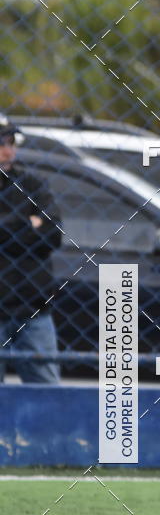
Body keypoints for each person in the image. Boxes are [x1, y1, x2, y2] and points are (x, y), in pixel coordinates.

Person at [0, 116, 62, 383]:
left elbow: (53, 234)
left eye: (11, 142)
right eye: (1, 143)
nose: (8, 150)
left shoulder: (32, 184)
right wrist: (28, 223)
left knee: (47, 392)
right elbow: (39, 230)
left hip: (33, 307)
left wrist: (8, 228)